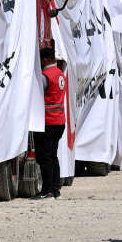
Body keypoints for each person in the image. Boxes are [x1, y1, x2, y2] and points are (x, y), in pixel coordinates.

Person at [34, 47, 67, 199]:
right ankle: (55, 189)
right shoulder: (60, 74)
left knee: (45, 158)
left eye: (40, 60)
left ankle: (47, 190)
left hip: (48, 122)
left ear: (45, 59)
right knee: (53, 156)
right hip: (59, 122)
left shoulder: (45, 76)